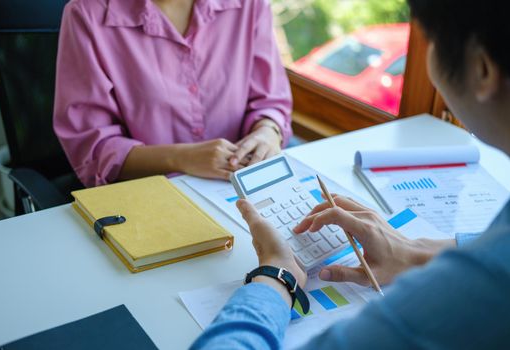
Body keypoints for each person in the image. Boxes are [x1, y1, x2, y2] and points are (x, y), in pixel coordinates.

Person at [190, 0, 510, 348]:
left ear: (482, 70)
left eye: (430, 40)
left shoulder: (469, 292)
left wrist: (275, 276)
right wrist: (420, 252)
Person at [53, 0, 292, 187]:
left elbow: (269, 101)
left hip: (237, 188)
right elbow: (94, 149)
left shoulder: (250, 5)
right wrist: (181, 158)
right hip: (148, 196)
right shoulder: (86, 15)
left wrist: (268, 131)